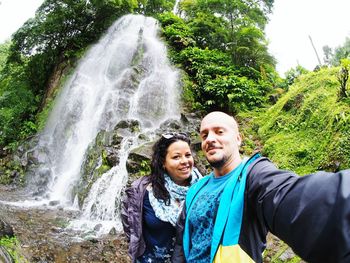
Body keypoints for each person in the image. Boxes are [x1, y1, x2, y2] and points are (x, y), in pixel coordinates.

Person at [172, 111, 350, 263]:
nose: (210, 139)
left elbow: (292, 198)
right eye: (204, 135)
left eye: (219, 132)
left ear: (238, 138)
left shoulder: (253, 174)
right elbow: (182, 241)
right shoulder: (196, 188)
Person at [121, 132, 202, 263]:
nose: (185, 161)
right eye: (176, 157)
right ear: (163, 162)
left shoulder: (204, 189)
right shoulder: (145, 191)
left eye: (188, 155)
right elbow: (129, 221)